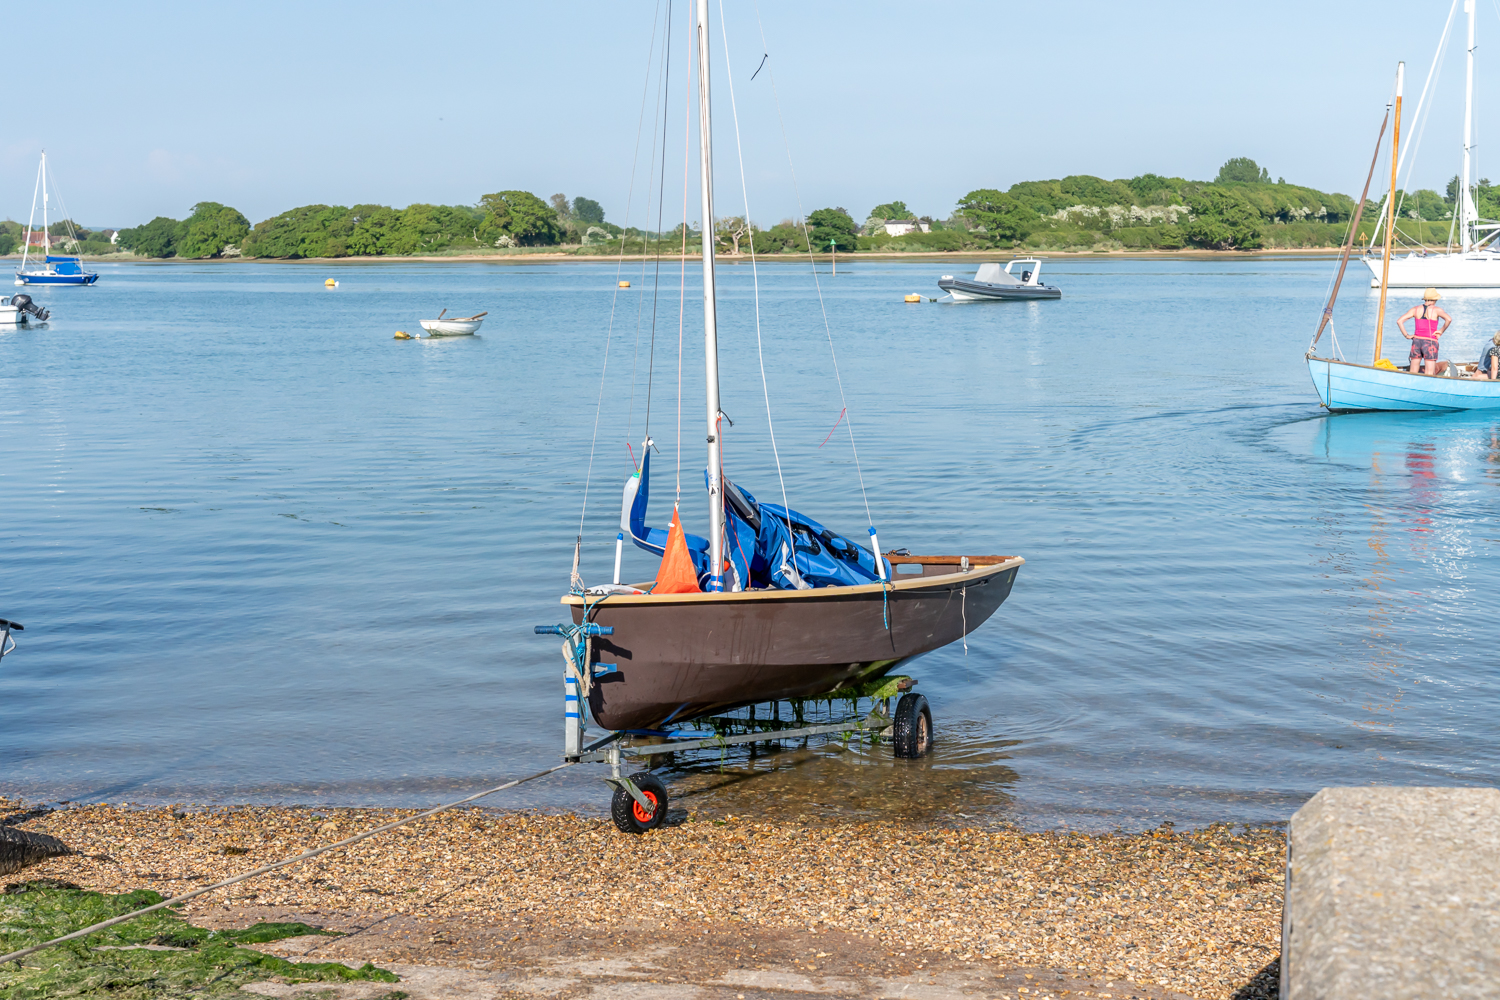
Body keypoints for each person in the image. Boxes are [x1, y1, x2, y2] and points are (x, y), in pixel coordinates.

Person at [1396, 288, 1452, 375]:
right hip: (1430, 342)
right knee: (1429, 372)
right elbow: (1448, 319)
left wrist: (1406, 335)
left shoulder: (1415, 309)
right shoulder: (1437, 310)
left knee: (1413, 371)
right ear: (1435, 299)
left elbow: (1399, 321)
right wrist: (1440, 331)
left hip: (1417, 341)